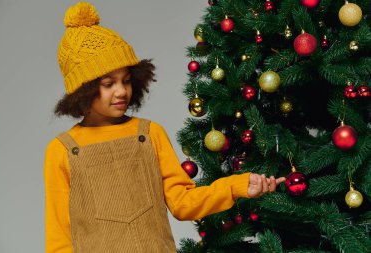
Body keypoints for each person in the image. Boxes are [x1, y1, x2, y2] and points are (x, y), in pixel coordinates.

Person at [44, 2, 286, 253]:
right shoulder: (62, 151)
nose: (121, 92)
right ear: (84, 90)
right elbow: (59, 236)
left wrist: (236, 186)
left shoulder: (149, 134)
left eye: (126, 81)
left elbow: (182, 203)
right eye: (108, 84)